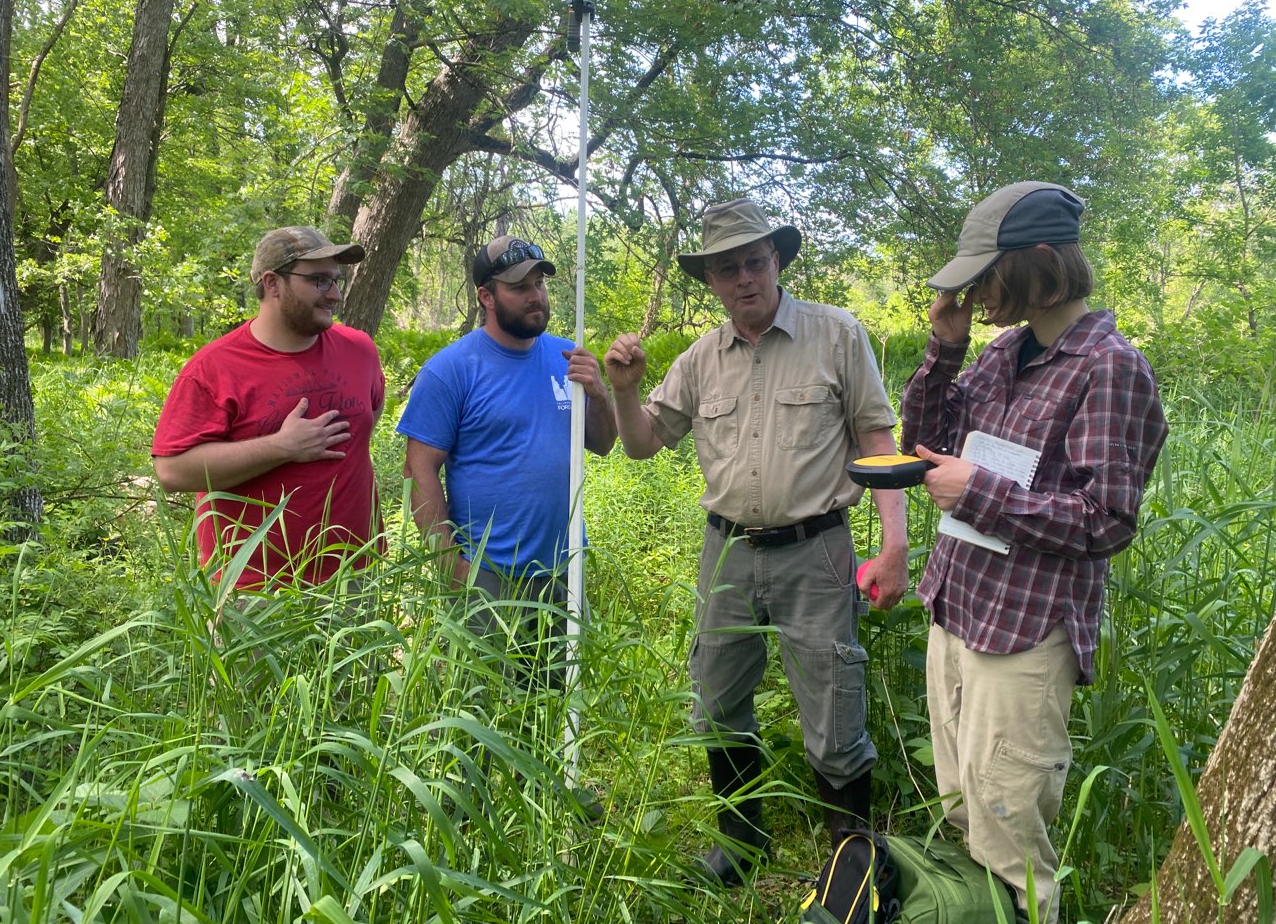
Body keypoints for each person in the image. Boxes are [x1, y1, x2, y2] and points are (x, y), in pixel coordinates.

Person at [602, 198, 909, 886]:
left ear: (778, 260)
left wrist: (894, 547)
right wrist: (626, 391)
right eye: (726, 268)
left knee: (834, 704)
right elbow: (645, 444)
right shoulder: (700, 357)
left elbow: (876, 440)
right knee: (714, 702)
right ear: (710, 280)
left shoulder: (836, 335)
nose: (743, 278)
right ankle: (741, 843)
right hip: (728, 552)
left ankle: (849, 861)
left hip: (818, 545)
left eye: (754, 261)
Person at [900, 182, 1168, 924]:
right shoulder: (999, 354)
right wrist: (945, 347)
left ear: (1042, 261)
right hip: (957, 605)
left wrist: (978, 492)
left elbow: (1106, 519)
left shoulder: (1109, 367)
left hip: (1024, 631)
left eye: (989, 274)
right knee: (962, 809)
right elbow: (923, 444)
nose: (978, 291)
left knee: (1012, 831)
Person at [397, 234, 617, 688]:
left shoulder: (566, 358)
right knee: (486, 720)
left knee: (558, 713)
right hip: (489, 576)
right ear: (486, 296)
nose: (535, 295)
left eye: (539, 283)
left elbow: (603, 442)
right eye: (519, 286)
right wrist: (450, 566)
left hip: (563, 571)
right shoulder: (451, 369)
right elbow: (417, 470)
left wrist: (598, 393)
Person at [152, 226, 385, 591]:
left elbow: (365, 429)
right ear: (272, 283)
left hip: (354, 575)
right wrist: (282, 447)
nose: (336, 295)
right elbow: (171, 471)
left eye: (337, 281)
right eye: (320, 281)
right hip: (254, 590)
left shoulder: (360, 350)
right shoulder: (215, 368)